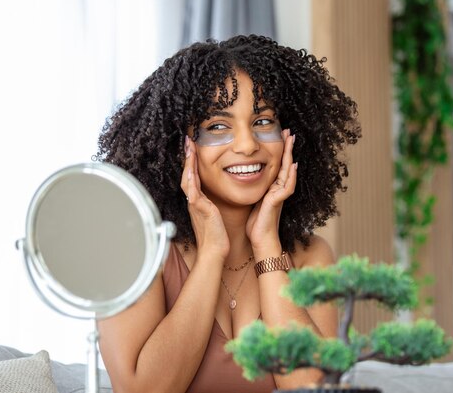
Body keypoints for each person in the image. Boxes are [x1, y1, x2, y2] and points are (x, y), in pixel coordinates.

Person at [95, 34, 361, 393]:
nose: (247, 144)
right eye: (218, 127)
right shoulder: (138, 254)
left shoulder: (311, 257)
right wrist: (211, 255)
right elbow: (144, 390)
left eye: (263, 121)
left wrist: (267, 245)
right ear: (179, 145)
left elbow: (315, 387)